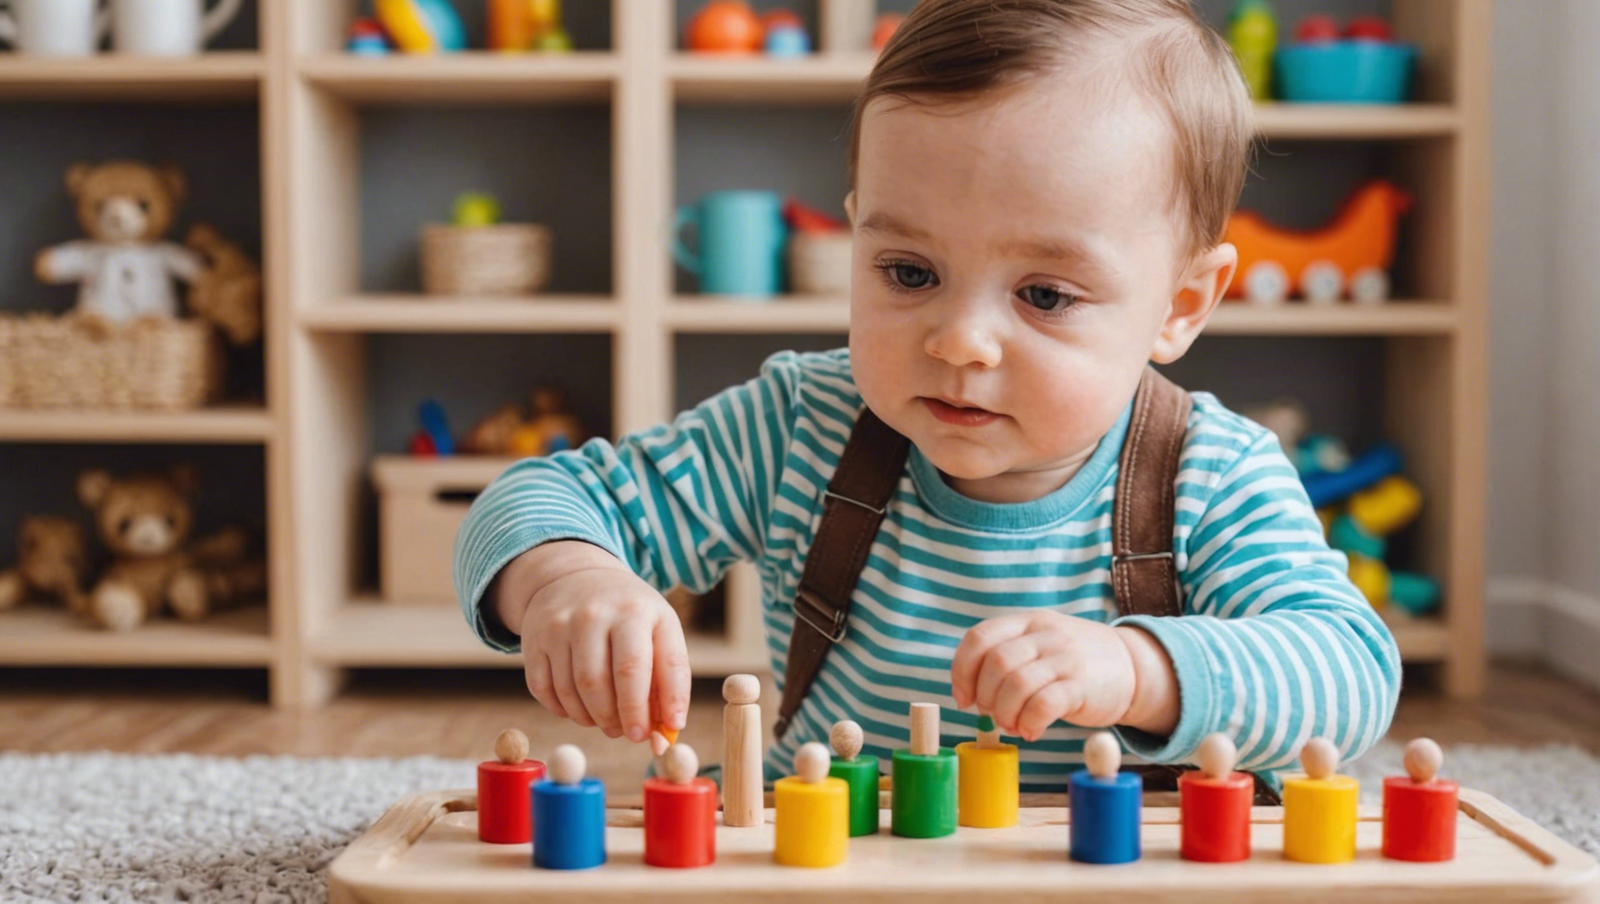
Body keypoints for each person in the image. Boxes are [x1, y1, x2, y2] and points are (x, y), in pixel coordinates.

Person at [454, 0, 1400, 789]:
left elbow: (1350, 674)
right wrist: (569, 579)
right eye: (909, 272)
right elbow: (530, 499)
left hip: (1125, 876)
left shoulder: (1213, 473)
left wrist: (1140, 668)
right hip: (839, 862)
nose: (958, 340)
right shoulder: (801, 426)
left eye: (1044, 295)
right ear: (856, 237)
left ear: (1179, 305)